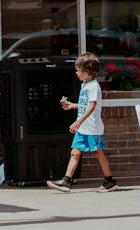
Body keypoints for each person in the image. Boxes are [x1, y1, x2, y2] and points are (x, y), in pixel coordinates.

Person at [47, 53, 118, 193]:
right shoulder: (85, 85)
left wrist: (78, 121)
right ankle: (66, 181)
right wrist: (72, 105)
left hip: (92, 128)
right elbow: (85, 105)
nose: (77, 72)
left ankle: (109, 181)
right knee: (75, 152)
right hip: (83, 128)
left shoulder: (94, 86)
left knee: (98, 152)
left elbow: (92, 107)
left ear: (88, 71)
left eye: (79, 70)